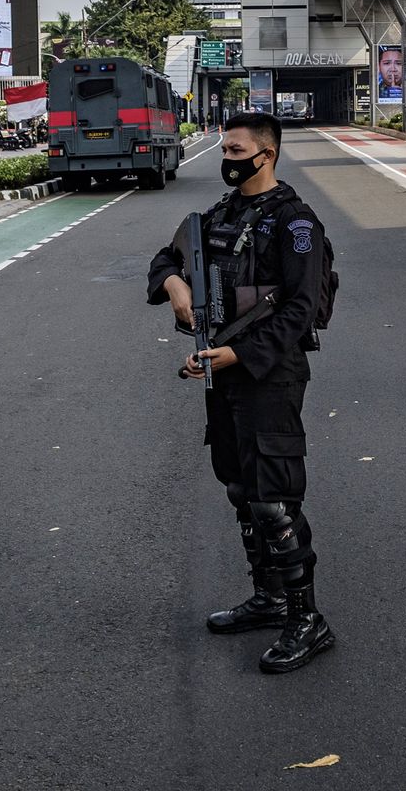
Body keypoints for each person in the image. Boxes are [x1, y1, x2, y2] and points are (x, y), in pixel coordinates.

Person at [147, 113, 334, 674]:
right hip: (222, 373)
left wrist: (242, 355)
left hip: (270, 374)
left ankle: (307, 618)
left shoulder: (296, 223)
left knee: (274, 499)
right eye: (224, 148)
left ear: (266, 155)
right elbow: (166, 259)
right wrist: (176, 283)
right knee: (239, 488)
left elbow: (301, 308)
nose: (225, 158)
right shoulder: (220, 216)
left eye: (235, 149)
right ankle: (270, 597)